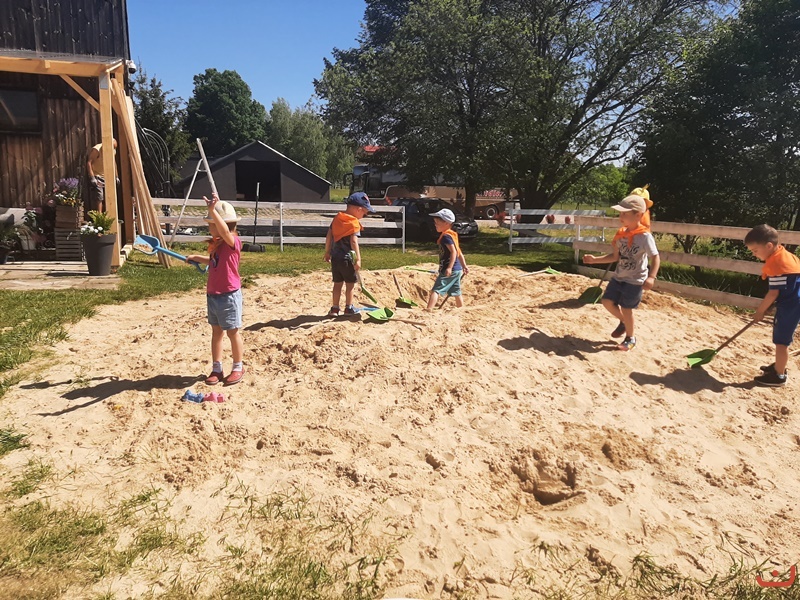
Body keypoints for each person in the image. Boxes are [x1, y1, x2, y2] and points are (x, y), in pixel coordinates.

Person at [583, 195, 660, 351]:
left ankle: (630, 338)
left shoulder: (645, 237)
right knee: (606, 302)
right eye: (620, 213)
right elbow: (615, 257)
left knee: (626, 308)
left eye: (625, 213)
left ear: (638, 215)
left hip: (635, 280)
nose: (621, 216)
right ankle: (624, 322)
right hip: (619, 277)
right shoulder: (621, 235)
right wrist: (594, 260)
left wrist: (651, 277)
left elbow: (655, 257)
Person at [186, 194, 245, 386]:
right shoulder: (217, 246)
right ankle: (217, 368)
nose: (209, 228)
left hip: (229, 295)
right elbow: (214, 262)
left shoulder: (233, 242)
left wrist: (213, 210)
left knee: (232, 332)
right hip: (213, 295)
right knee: (216, 332)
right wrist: (197, 258)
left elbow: (225, 232)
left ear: (221, 225)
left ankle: (238, 367)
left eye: (211, 224)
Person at [744, 224, 800, 387]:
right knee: (782, 339)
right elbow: (787, 285)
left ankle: (779, 375)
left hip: (791, 306)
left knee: (781, 341)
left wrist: (760, 312)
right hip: (793, 301)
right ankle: (778, 365)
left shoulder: (776, 265)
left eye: (755, 250)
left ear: (769, 246)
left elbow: (773, 293)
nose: (754, 254)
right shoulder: (784, 255)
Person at [324, 192, 374, 316]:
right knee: (350, 285)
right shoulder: (354, 223)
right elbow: (353, 241)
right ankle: (348, 308)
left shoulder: (337, 219)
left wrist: (327, 252)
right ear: (358, 209)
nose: (364, 215)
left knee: (337, 284)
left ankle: (335, 308)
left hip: (335, 258)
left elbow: (329, 236)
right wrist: (358, 260)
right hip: (348, 260)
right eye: (364, 212)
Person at [426, 208, 469, 309]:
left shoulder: (446, 237)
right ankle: (461, 309)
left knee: (436, 290)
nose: (435, 224)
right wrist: (464, 266)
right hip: (457, 270)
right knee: (456, 292)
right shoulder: (452, 235)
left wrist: (449, 268)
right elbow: (459, 252)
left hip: (450, 270)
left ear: (446, 223)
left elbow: (454, 252)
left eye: (437, 222)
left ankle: (428, 310)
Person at [86, 138, 118, 213]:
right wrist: (92, 177)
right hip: (98, 176)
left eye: (114, 148)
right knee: (99, 197)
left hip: (108, 175)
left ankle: (110, 215)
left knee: (110, 196)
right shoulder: (97, 149)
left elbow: (114, 163)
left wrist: (116, 176)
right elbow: (89, 163)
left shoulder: (112, 150)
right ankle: (99, 216)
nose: (113, 150)